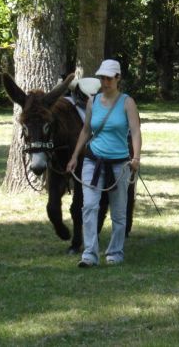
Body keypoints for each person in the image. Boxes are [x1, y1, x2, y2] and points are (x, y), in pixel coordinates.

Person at [66, 59, 142, 267]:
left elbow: (135, 132)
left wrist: (136, 157)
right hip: (93, 160)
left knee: (118, 211)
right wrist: (74, 157)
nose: (105, 82)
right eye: (102, 78)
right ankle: (90, 254)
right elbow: (86, 130)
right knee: (89, 207)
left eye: (109, 78)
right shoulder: (93, 101)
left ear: (118, 78)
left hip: (119, 164)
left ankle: (115, 251)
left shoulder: (127, 102)